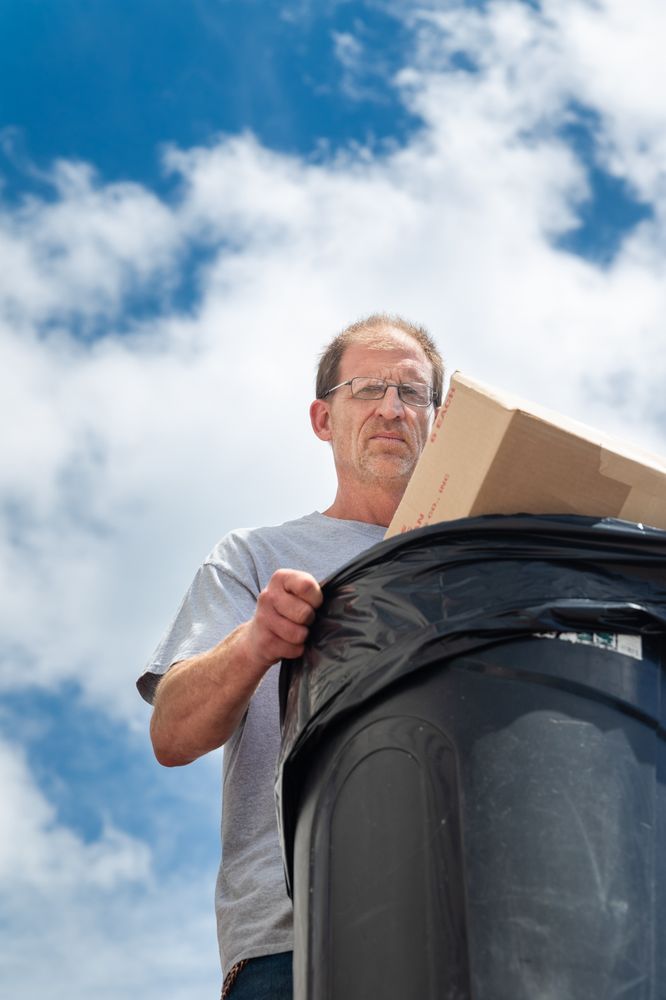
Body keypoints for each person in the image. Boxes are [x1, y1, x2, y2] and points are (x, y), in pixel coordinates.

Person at [137, 313, 445, 999]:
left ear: (440, 420)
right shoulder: (255, 557)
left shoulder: (484, 563)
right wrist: (256, 641)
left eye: (412, 392)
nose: (392, 409)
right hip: (293, 942)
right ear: (322, 418)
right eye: (367, 389)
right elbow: (173, 733)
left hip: (465, 928)